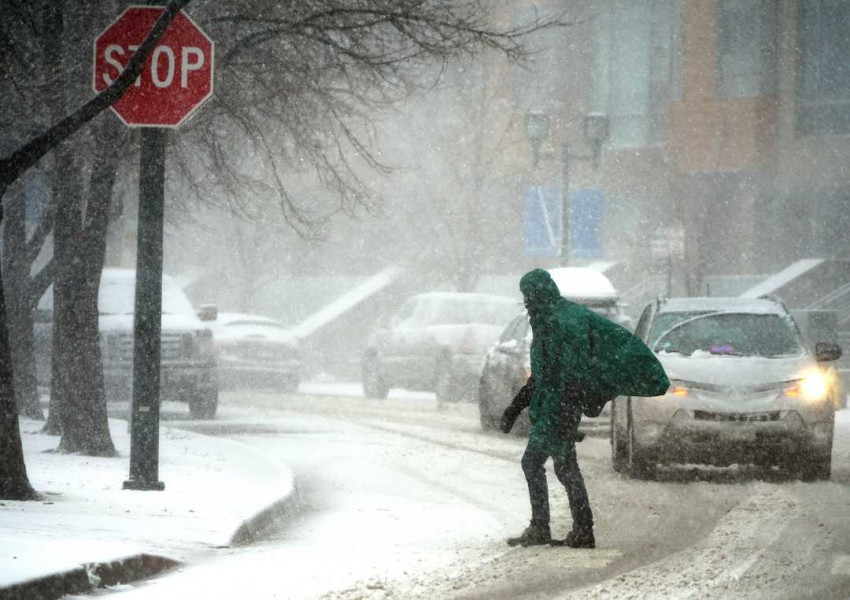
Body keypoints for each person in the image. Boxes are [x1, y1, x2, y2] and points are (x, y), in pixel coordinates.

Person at [500, 269, 669, 548]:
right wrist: (516, 407)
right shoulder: (546, 319)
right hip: (555, 405)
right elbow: (542, 374)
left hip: (560, 407)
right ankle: (579, 529)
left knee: (538, 464)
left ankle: (554, 527)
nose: (526, 303)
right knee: (564, 467)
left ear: (540, 293)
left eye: (529, 296)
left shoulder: (563, 322)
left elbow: (570, 371)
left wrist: (568, 406)